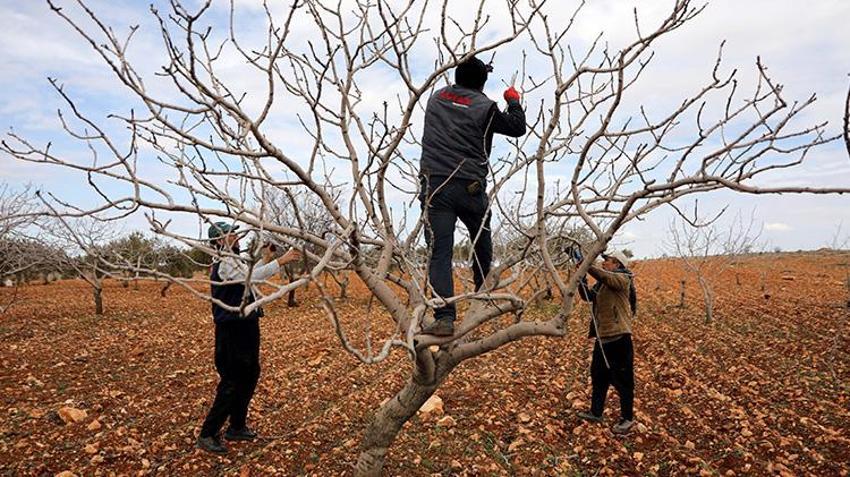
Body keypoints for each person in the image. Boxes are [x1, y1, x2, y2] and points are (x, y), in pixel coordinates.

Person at [418, 56, 527, 337]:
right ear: (482, 83)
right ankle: (482, 290)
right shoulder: (485, 107)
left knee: (439, 252)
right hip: (470, 186)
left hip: (435, 185)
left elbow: (460, 98)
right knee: (481, 240)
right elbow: (516, 128)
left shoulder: (435, 99)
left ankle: (444, 317)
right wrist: (513, 100)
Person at [196, 222, 301, 454]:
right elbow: (250, 278)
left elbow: (250, 276)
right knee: (232, 381)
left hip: (247, 326)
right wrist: (279, 262)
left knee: (250, 374)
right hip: (232, 330)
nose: (236, 236)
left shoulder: (234, 260)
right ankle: (208, 433)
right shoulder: (224, 262)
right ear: (218, 241)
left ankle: (237, 426)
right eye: (231, 234)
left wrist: (265, 258)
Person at [575, 250, 638, 434]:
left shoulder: (623, 279)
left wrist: (585, 264)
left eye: (608, 260)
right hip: (603, 339)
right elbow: (588, 296)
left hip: (619, 338)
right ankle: (596, 412)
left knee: (624, 381)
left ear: (617, 264)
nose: (604, 263)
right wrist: (581, 278)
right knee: (598, 376)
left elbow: (605, 276)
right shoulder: (602, 284)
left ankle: (627, 419)